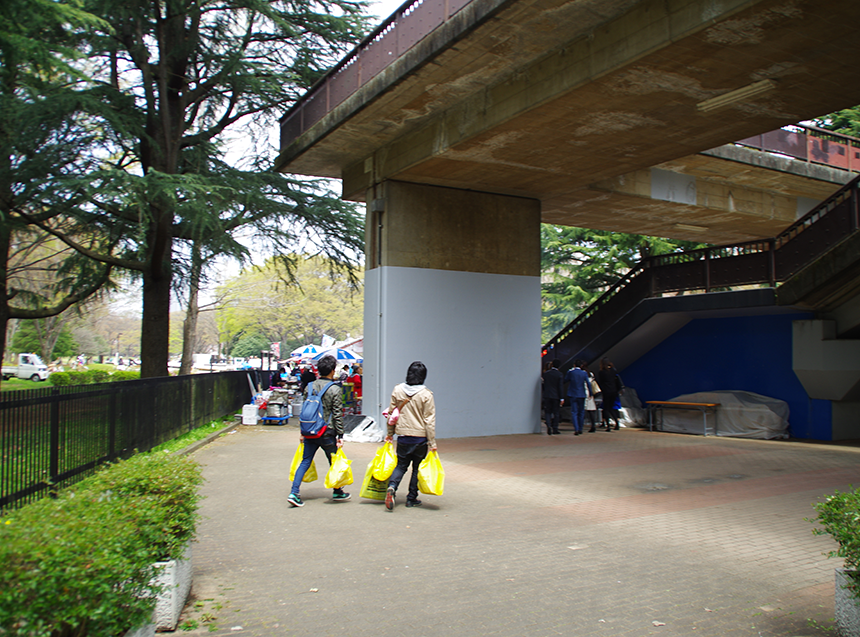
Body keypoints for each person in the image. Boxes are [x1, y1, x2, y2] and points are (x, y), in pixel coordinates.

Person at [288, 355, 350, 507]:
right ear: (332, 371)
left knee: (305, 461)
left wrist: (302, 432)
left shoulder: (309, 386)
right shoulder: (335, 389)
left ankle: (294, 492)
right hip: (327, 431)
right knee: (333, 462)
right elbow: (337, 414)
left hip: (310, 430)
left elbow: (305, 410)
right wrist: (340, 434)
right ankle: (337, 491)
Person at [384, 361, 437, 512]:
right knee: (416, 468)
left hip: (403, 436)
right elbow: (429, 420)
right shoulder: (426, 394)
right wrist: (432, 442)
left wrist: (389, 434)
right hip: (420, 438)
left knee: (401, 465)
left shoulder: (397, 390)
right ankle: (411, 498)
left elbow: (391, 414)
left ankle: (392, 487)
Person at [564, 359, 592, 435]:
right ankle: (580, 428)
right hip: (581, 394)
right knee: (581, 412)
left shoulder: (571, 372)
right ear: (581, 366)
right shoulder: (584, 373)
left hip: (572, 393)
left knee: (574, 412)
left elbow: (565, 380)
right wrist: (591, 393)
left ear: (574, 365)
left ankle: (576, 428)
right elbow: (588, 383)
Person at [596, 358, 624, 430]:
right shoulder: (613, 370)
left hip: (606, 391)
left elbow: (600, 382)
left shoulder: (602, 372)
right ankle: (617, 423)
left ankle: (608, 425)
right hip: (614, 391)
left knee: (606, 408)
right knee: (611, 408)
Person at [542, 359, 563, 435]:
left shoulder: (546, 374)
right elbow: (560, 387)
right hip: (556, 396)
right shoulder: (559, 374)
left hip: (547, 395)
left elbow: (544, 385)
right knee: (556, 412)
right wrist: (562, 398)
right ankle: (555, 428)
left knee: (547, 411)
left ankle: (548, 425)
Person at [583, 363, 599, 432]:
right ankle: (593, 425)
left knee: (581, 410)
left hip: (583, 392)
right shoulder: (591, 374)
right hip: (590, 394)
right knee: (591, 410)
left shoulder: (582, 373)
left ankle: (579, 426)